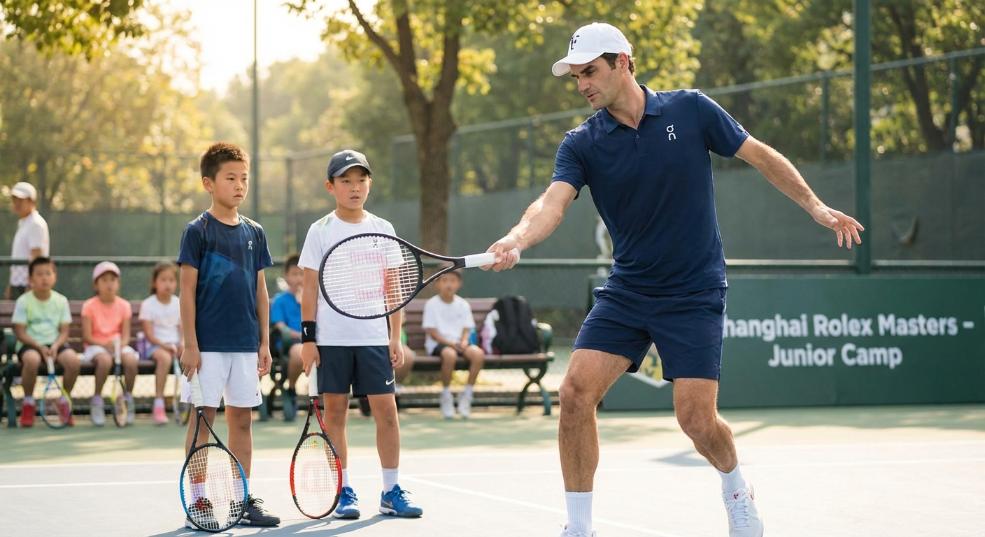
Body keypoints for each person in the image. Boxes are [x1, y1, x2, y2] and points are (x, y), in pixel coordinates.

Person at [485, 22, 865, 537]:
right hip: (628, 290)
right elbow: (551, 204)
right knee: (574, 392)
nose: (582, 85)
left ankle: (736, 488)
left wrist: (816, 207)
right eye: (576, 77)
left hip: (693, 290)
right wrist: (516, 239)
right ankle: (579, 527)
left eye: (590, 72)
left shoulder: (691, 110)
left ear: (622, 62)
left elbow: (760, 155)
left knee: (696, 421)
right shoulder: (581, 144)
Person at [299, 149, 423, 519]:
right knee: (336, 413)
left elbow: (393, 288)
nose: (355, 187)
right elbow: (309, 288)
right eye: (346, 181)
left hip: (374, 338)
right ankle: (343, 491)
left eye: (361, 180)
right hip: (332, 340)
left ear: (369, 183)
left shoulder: (384, 229)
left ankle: (390, 491)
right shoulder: (320, 230)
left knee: (387, 412)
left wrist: (395, 336)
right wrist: (308, 339)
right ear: (331, 186)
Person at [177, 142, 279, 528]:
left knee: (242, 421)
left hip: (245, 346)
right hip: (207, 348)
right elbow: (186, 291)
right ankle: (198, 501)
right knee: (203, 421)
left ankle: (240, 500)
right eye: (231, 178)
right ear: (209, 183)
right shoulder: (197, 232)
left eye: (244, 179)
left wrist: (264, 342)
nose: (239, 185)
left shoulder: (255, 232)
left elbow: (260, 291)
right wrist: (191, 344)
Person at [11, 257, 79, 427]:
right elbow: (20, 332)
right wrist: (39, 346)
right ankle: (28, 403)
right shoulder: (23, 301)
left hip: (55, 345)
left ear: (54, 276)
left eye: (48, 273)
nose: (44, 278)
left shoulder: (61, 301)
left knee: (73, 361)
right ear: (30, 279)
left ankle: (64, 401)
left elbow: (64, 331)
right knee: (32, 360)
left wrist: (55, 346)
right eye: (39, 274)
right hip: (30, 345)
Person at [81, 261, 140, 426]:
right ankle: (97, 400)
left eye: (113, 280)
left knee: (131, 361)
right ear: (96, 285)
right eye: (104, 280)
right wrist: (104, 345)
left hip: (118, 346)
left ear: (118, 284)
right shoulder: (89, 306)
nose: (109, 284)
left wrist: (118, 347)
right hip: (95, 347)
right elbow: (87, 337)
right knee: (105, 361)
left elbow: (126, 336)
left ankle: (127, 399)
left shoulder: (124, 306)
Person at [422, 271, 484, 419]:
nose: (449, 284)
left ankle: (467, 394)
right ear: (437, 284)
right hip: (438, 344)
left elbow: (467, 329)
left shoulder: (463, 304)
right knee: (450, 355)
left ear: (459, 284)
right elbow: (432, 332)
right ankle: (446, 395)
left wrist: (463, 341)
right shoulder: (431, 304)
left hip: (459, 344)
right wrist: (451, 344)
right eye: (444, 280)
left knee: (478, 354)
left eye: (453, 280)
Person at [139, 261, 183, 425]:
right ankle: (159, 404)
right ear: (154, 282)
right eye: (163, 280)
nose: (167, 284)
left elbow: (183, 330)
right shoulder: (148, 304)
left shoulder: (179, 303)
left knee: (192, 355)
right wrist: (165, 346)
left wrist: (182, 343)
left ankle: (192, 403)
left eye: (171, 280)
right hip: (154, 347)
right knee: (164, 358)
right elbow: (149, 335)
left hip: (176, 346)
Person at [269, 253, 304, 421]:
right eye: (294, 274)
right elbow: (280, 326)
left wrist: (304, 302)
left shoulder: (312, 299)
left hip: (311, 341)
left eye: (302, 274)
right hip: (288, 343)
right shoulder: (280, 300)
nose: (299, 278)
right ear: (287, 276)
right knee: (299, 352)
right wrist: (301, 335)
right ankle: (291, 388)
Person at [6, 182, 50, 300]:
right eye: (14, 199)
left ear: (32, 201)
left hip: (28, 286)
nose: (16, 203)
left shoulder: (36, 224)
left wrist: (31, 285)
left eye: (21, 200)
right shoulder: (24, 223)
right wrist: (11, 284)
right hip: (18, 284)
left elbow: (37, 256)